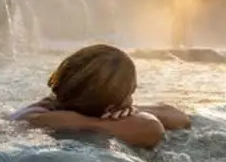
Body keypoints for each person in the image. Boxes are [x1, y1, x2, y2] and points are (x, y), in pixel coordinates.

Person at [10, 44, 191, 149]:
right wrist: (101, 123)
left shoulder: (61, 104)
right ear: (109, 107)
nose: (132, 100)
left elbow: (177, 116)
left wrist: (128, 110)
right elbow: (152, 129)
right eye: (131, 93)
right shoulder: (37, 117)